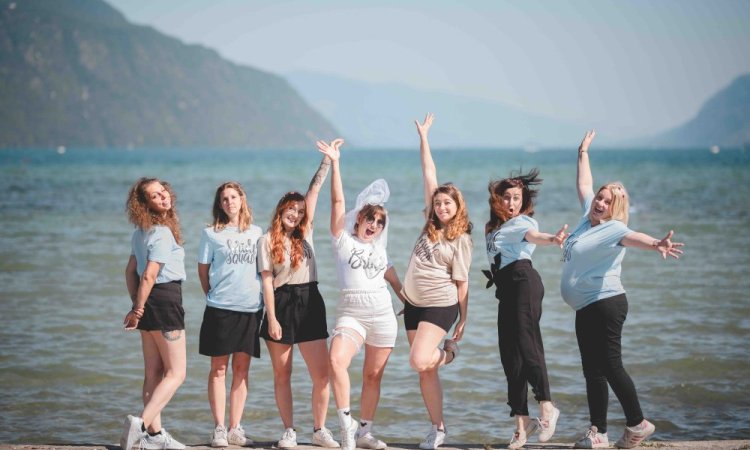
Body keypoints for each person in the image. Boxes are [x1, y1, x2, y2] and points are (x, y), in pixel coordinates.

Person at [562, 131, 684, 449]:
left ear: (615, 208)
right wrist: (582, 152)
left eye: (607, 201)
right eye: (600, 198)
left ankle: (638, 423)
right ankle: (599, 432)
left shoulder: (614, 228)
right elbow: (583, 186)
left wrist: (656, 243)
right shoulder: (585, 219)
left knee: (610, 365)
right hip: (585, 306)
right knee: (593, 370)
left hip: (606, 303)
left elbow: (634, 237)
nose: (599, 202)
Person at [317, 139, 407, 450]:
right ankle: (346, 424)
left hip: (382, 316)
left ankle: (365, 433)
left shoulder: (380, 251)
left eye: (380, 222)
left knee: (372, 377)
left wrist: (412, 303)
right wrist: (336, 163)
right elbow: (337, 204)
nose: (374, 225)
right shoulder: (342, 239)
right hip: (351, 313)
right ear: (359, 218)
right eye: (370, 218)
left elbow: (396, 283)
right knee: (336, 359)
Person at [258, 151, 339, 449]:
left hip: (310, 301)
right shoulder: (265, 241)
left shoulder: (306, 233)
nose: (295, 214)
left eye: (299, 210)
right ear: (281, 210)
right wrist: (273, 318)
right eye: (290, 209)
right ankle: (289, 431)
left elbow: (314, 190)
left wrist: (327, 161)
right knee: (283, 374)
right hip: (280, 303)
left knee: (322, 375)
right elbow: (267, 282)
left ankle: (319, 430)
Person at [402, 113, 473, 450]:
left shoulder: (461, 238)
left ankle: (451, 353)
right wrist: (424, 137)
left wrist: (463, 319)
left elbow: (462, 284)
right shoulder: (429, 222)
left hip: (440, 305)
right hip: (412, 304)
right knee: (424, 370)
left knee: (419, 359)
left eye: (448, 202)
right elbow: (429, 173)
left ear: (457, 206)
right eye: (438, 202)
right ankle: (437, 428)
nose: (442, 206)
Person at [484, 169, 568, 449]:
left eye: (516, 198)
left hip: (523, 281)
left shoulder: (523, 222)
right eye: (506, 197)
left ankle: (547, 406)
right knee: (510, 356)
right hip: (505, 290)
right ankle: (522, 423)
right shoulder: (492, 228)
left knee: (527, 343)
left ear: (523, 201)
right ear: (497, 199)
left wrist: (552, 240)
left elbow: (534, 236)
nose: (511, 203)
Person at [120, 177, 187, 450]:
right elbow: (148, 274)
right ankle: (142, 424)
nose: (163, 197)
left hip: (147, 303)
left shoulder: (140, 233)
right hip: (164, 300)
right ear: (145, 204)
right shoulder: (161, 233)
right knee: (176, 373)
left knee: (153, 373)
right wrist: (137, 309)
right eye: (155, 196)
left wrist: (137, 306)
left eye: (163, 191)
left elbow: (129, 272)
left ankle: (156, 437)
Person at [197, 182, 263, 447]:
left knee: (241, 369)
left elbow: (264, 271)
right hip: (220, 309)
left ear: (242, 199)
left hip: (250, 309)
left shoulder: (257, 233)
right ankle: (220, 428)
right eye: (224, 199)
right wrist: (213, 295)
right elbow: (203, 271)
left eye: (233, 197)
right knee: (218, 369)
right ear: (219, 204)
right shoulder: (211, 234)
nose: (229, 202)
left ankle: (236, 427)